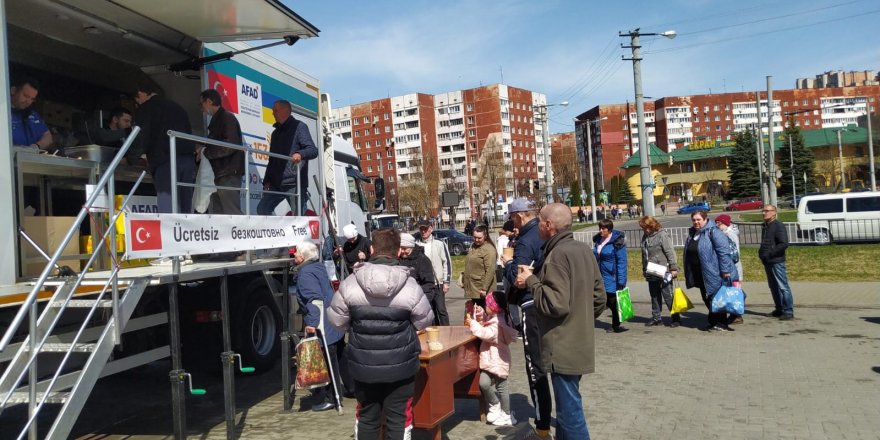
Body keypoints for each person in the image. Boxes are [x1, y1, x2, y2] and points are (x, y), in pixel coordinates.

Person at [327, 229, 434, 440]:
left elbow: (336, 321)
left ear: (372, 249)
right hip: (401, 366)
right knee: (399, 420)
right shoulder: (410, 286)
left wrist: (356, 327)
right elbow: (425, 321)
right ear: (398, 251)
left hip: (363, 364)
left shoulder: (350, 284)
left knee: (367, 417)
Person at [515, 203, 606, 440]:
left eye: (540, 223)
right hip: (579, 343)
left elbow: (555, 304)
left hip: (562, 347)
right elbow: (599, 298)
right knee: (568, 412)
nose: (537, 229)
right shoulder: (583, 249)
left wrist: (532, 281)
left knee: (570, 415)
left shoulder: (557, 255)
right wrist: (581, 321)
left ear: (548, 225)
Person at [499, 198, 552, 439]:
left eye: (512, 219)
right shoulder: (545, 233)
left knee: (535, 366)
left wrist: (508, 261)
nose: (512, 224)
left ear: (519, 216)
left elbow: (519, 276)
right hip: (549, 301)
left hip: (531, 303)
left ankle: (542, 423)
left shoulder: (524, 240)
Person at [292, 241, 345, 412]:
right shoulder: (318, 266)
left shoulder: (305, 274)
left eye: (297, 252)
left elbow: (314, 300)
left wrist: (312, 324)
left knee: (329, 361)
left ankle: (333, 398)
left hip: (323, 323)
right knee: (337, 357)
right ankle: (347, 390)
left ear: (304, 256)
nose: (294, 255)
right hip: (331, 319)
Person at [129, 82, 196, 214]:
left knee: (168, 207)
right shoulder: (178, 108)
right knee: (185, 207)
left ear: (141, 94)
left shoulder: (146, 108)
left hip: (166, 160)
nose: (139, 103)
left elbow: (140, 136)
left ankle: (170, 234)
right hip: (187, 160)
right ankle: (184, 233)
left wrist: (130, 157)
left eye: (138, 100)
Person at [257, 99, 318, 216]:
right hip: (276, 183)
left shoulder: (300, 127)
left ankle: (298, 234)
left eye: (275, 110)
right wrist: (267, 180)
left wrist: (300, 154)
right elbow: (272, 160)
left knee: (297, 217)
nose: (273, 113)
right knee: (262, 209)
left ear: (285, 111)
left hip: (294, 183)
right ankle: (276, 232)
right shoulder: (275, 134)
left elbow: (313, 150)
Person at [468, 291, 519, 427]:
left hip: (498, 361)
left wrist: (473, 323)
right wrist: (480, 315)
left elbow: (486, 333)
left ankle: (507, 415)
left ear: (494, 307)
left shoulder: (499, 324)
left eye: (487, 305)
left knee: (502, 387)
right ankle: (495, 404)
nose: (485, 306)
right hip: (489, 360)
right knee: (484, 383)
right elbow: (487, 322)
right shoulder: (495, 317)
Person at [683, 210, 739, 332]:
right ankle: (713, 321)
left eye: (699, 219)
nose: (696, 222)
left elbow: (723, 252)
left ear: (705, 219)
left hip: (715, 272)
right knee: (707, 297)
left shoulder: (714, 232)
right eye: (694, 220)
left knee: (717, 297)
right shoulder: (694, 233)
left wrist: (725, 270)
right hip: (700, 272)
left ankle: (721, 323)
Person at [199, 88, 244, 216]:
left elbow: (230, 145)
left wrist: (207, 152)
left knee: (231, 212)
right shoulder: (218, 120)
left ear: (209, 101)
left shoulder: (226, 118)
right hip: (220, 173)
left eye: (201, 104)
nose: (200, 108)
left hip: (228, 172)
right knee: (218, 214)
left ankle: (242, 235)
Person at [639, 216, 680, 327]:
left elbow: (670, 252)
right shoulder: (645, 237)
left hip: (663, 269)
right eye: (643, 228)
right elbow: (644, 255)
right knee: (654, 295)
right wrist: (644, 269)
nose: (645, 230)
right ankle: (656, 317)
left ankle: (675, 318)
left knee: (668, 295)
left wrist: (674, 268)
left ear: (652, 225)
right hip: (651, 269)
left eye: (646, 227)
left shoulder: (662, 235)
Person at [759, 204, 794, 320]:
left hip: (777, 261)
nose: (764, 213)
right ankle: (779, 309)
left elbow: (783, 243)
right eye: (763, 211)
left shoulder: (778, 225)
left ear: (774, 212)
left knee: (783, 286)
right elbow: (765, 243)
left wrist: (770, 253)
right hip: (767, 261)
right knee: (773, 287)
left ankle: (788, 311)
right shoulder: (765, 226)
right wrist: (762, 254)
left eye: (767, 211)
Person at [592, 219, 628, 333]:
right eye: (600, 228)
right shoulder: (598, 240)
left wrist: (621, 279)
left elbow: (622, 261)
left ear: (609, 229)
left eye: (603, 229)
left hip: (612, 277)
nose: (600, 231)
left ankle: (616, 325)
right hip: (600, 274)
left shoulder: (617, 242)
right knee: (602, 299)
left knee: (613, 302)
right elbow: (595, 254)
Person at [415, 219, 451, 326]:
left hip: (437, 283)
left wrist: (446, 281)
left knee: (441, 310)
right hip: (424, 284)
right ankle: (434, 331)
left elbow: (446, 263)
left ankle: (446, 330)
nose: (423, 232)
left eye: (425, 229)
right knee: (429, 311)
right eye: (421, 229)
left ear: (431, 229)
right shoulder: (416, 245)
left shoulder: (439, 244)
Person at [715, 214, 745, 324]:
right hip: (730, 267)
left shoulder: (730, 234)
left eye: (719, 223)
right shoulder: (724, 234)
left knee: (734, 291)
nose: (717, 225)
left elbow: (734, 253)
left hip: (734, 268)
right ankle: (733, 313)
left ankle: (737, 315)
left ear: (725, 223)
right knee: (731, 290)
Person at [398, 232, 437, 314]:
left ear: (411, 247)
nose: (402, 251)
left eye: (405, 248)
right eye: (400, 248)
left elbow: (429, 285)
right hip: (401, 304)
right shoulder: (397, 259)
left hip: (418, 304)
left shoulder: (422, 260)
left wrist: (422, 302)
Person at [10, 76, 52, 150]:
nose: (28, 102)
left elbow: (47, 136)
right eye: (26, 96)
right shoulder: (4, 112)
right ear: (13, 91)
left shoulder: (32, 115)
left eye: (32, 99)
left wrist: (36, 146)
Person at [463, 225, 496, 307]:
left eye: (479, 238)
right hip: (474, 288)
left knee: (483, 315)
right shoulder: (474, 246)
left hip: (481, 290)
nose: (476, 240)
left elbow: (490, 270)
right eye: (474, 237)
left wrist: (484, 289)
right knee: (477, 315)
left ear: (485, 236)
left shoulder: (489, 250)